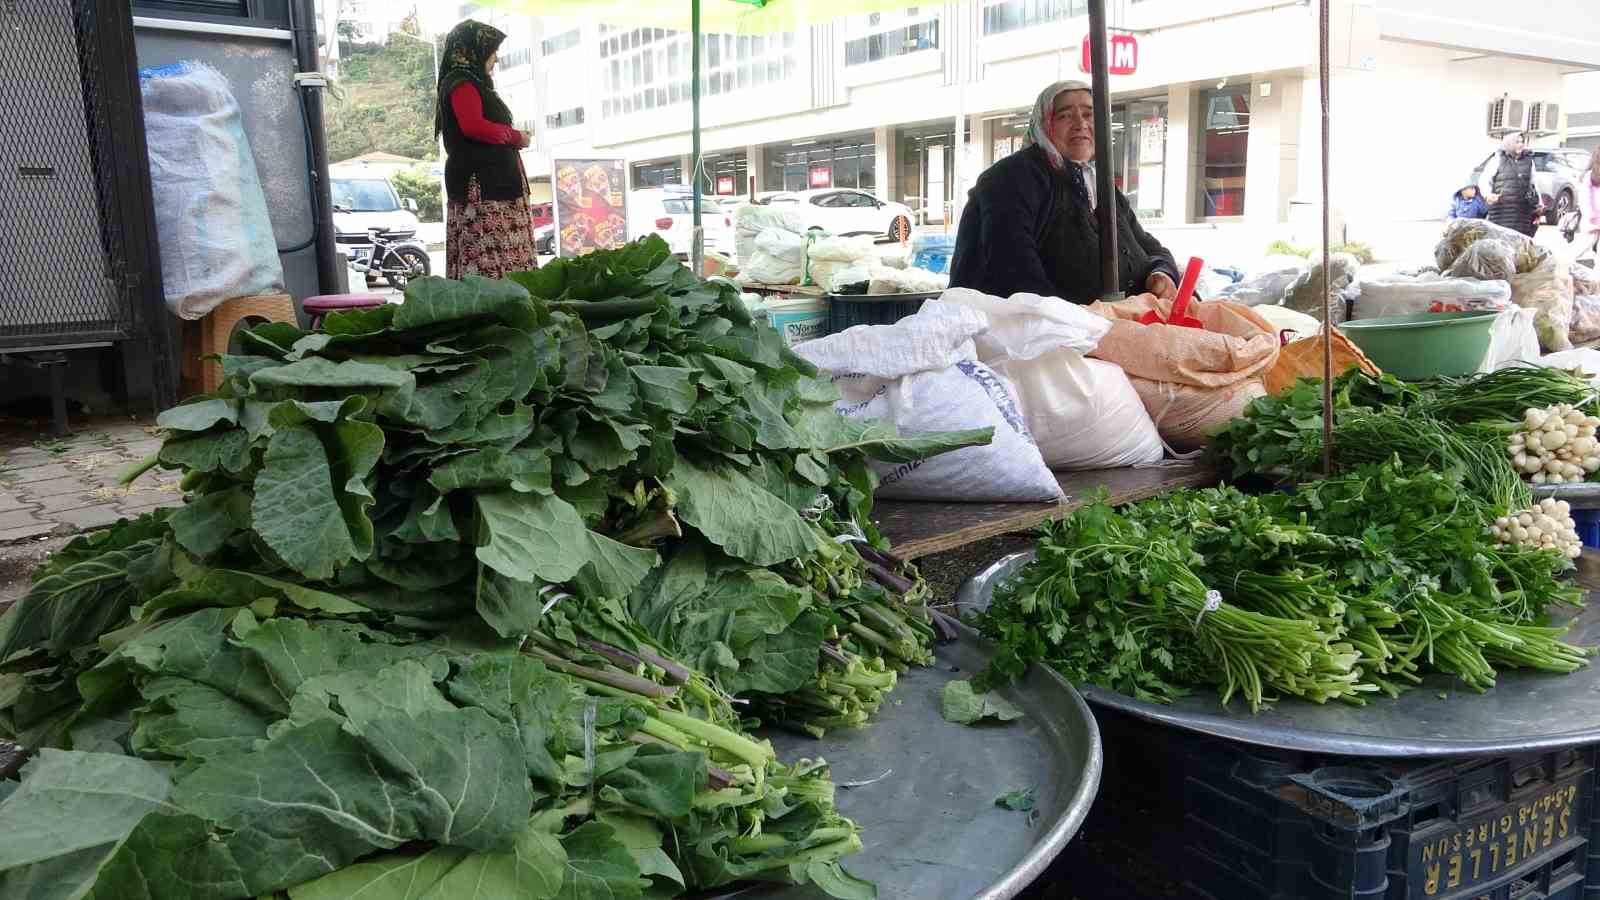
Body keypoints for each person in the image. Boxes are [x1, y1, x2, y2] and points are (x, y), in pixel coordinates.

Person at [949, 80, 1179, 304]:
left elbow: (1151, 248)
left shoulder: (1103, 189)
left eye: (1089, 114)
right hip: (1031, 335)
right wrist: (1078, 325)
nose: (1081, 124)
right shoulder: (1013, 177)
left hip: (1108, 331)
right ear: (1043, 124)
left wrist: (1162, 273)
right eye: (1065, 115)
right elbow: (1014, 268)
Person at [436, 20, 536, 279]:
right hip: (484, 189)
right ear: (474, 50)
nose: (497, 58)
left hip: (497, 184)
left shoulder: (475, 83)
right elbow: (473, 126)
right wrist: (516, 137)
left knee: (507, 258)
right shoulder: (461, 83)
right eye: (492, 51)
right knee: (489, 261)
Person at [1477, 132, 1541, 237]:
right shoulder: (1498, 159)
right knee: (1500, 243)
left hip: (1522, 213)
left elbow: (1534, 184)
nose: (1520, 144)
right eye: (1517, 142)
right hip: (1501, 212)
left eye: (1522, 142)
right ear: (1509, 143)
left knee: (1520, 244)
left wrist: (1539, 207)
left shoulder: (1529, 161)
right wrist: (1488, 194)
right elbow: (1484, 180)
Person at [1577, 148, 1600, 255]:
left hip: (1593, 219)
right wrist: (1591, 217)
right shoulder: (1589, 177)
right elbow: (1584, 200)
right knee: (1584, 247)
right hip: (1592, 220)